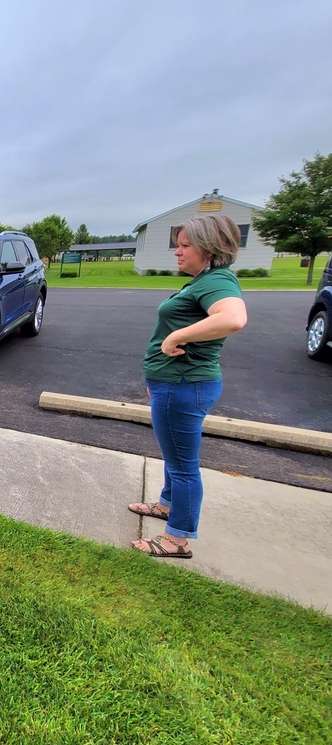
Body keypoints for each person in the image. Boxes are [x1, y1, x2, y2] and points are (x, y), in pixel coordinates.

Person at [129, 214, 248, 559]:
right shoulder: (203, 280)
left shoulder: (217, 281)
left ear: (209, 248)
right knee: (174, 456)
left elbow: (234, 318)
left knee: (183, 465)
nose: (177, 252)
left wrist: (176, 337)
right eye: (177, 245)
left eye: (185, 246)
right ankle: (167, 505)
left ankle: (176, 539)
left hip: (184, 385)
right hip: (175, 385)